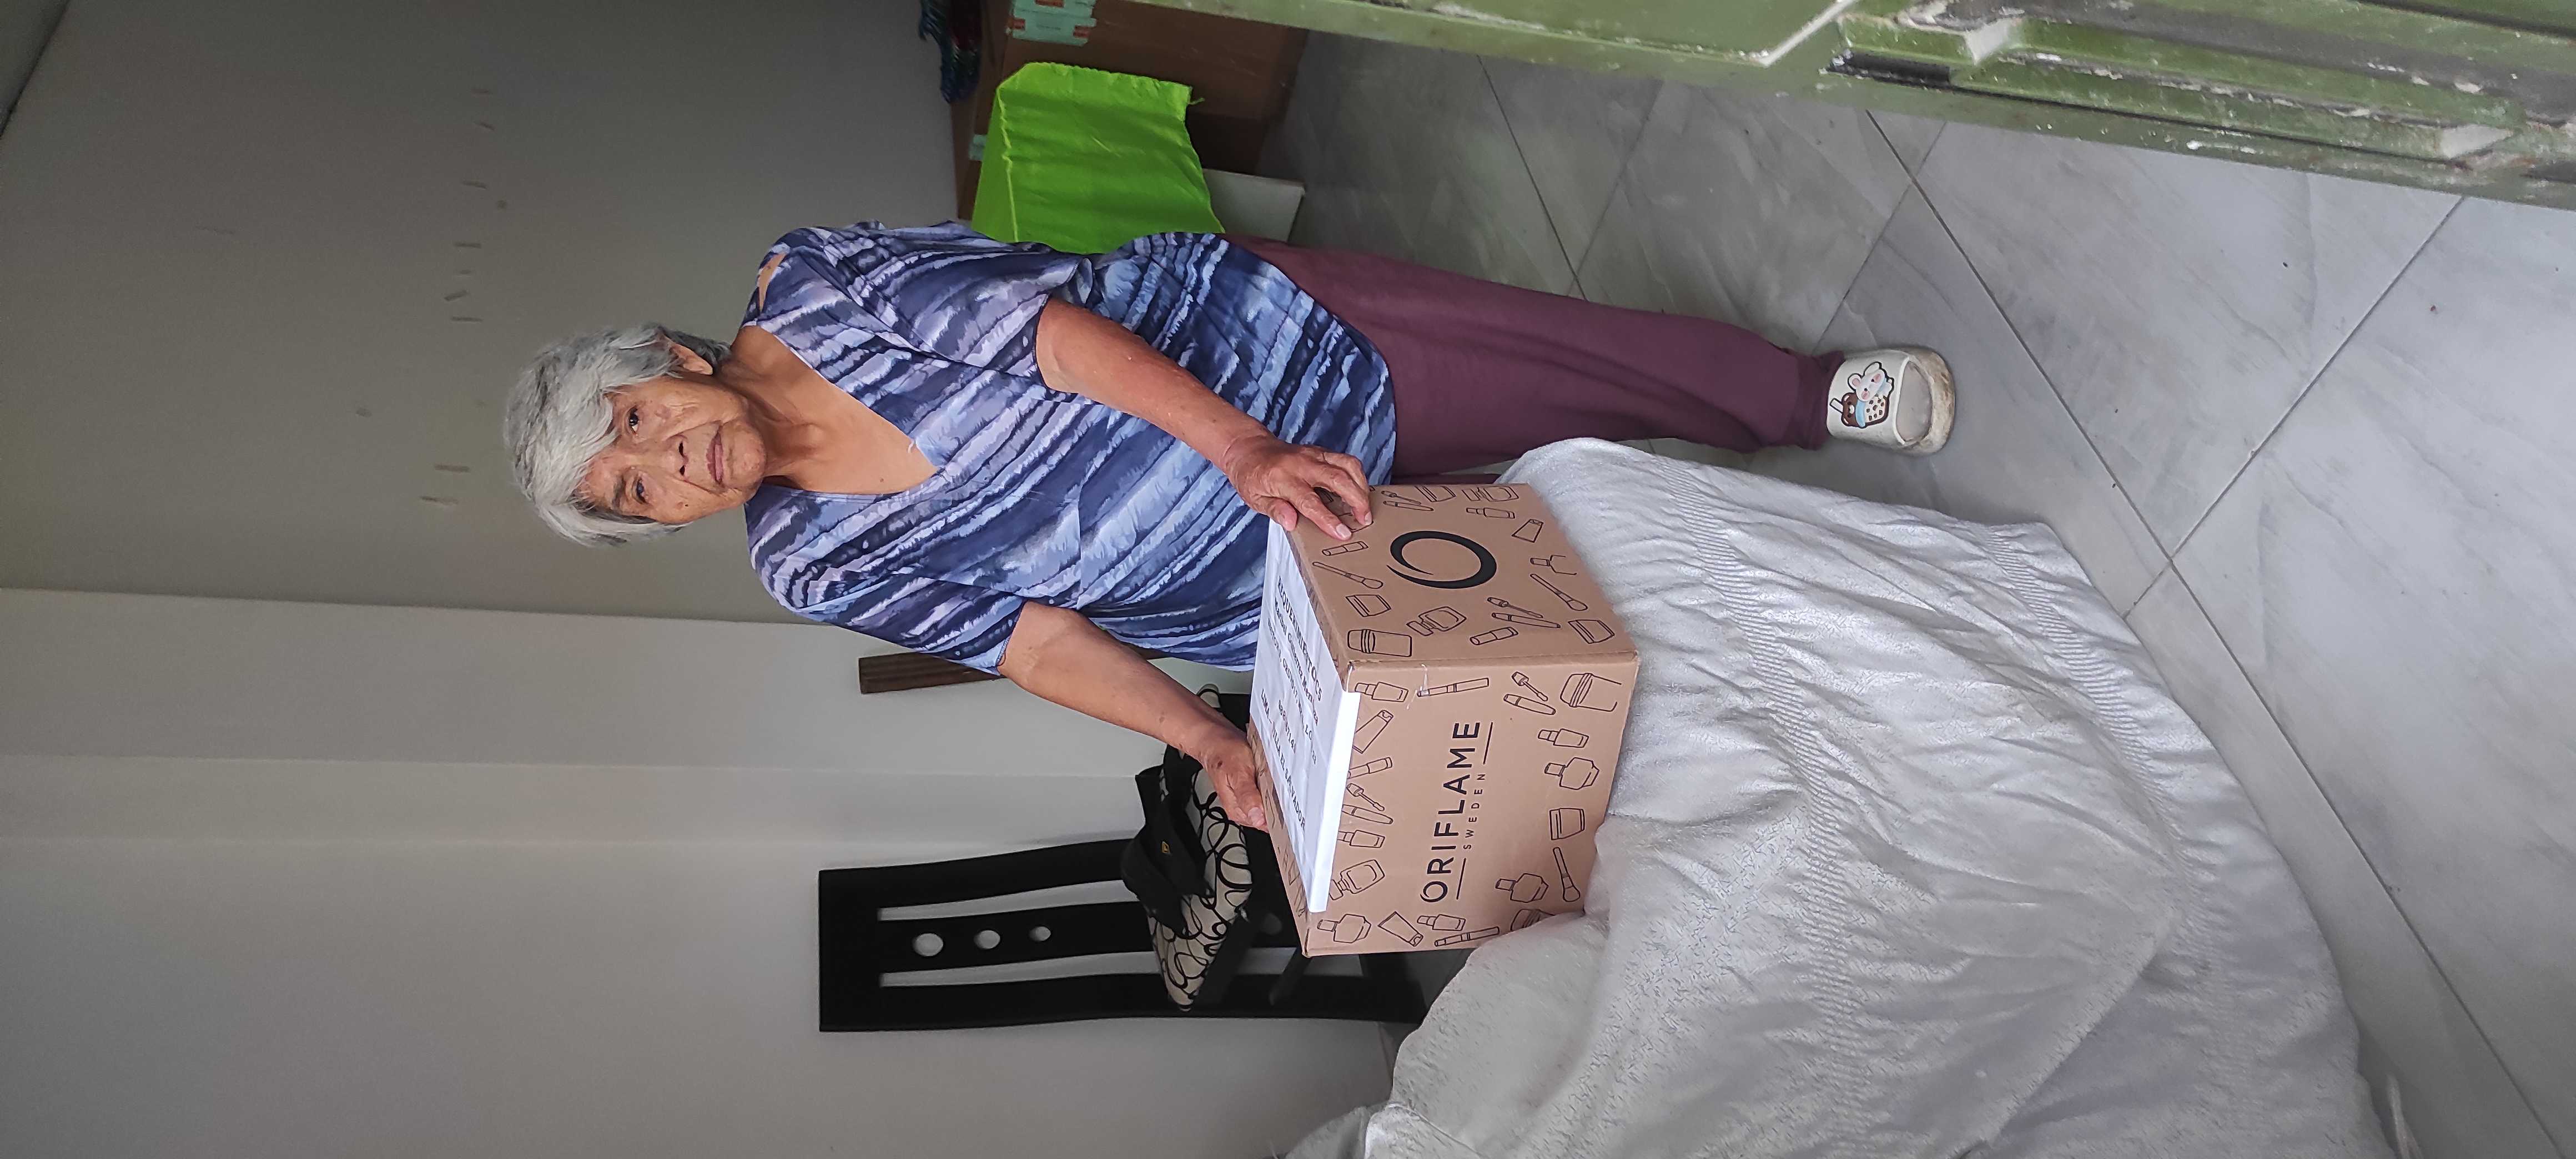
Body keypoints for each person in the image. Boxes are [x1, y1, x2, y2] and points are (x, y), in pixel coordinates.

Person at [504, 223, 1954, 828]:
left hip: (1277, 365)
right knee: (1569, 585)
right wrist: (1208, 740)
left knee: (1562, 372)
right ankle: (1813, 596)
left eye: (633, 422)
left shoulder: (812, 286)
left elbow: (1049, 340)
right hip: (1284, 580)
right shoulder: (806, 559)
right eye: (635, 495)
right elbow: (1029, 638)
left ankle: (1805, 395)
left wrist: (1248, 447)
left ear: (669, 362)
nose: (665, 464)